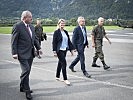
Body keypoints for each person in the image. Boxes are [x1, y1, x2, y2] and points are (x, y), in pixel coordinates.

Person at [11, 10, 42, 100]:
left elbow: (35, 39)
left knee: (27, 71)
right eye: (30, 17)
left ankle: (22, 86)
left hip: (31, 53)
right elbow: (14, 41)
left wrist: (39, 48)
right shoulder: (17, 26)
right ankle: (27, 90)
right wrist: (14, 53)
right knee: (26, 70)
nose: (32, 19)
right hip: (21, 53)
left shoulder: (32, 27)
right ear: (24, 18)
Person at [52, 19, 74, 85]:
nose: (62, 25)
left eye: (63, 23)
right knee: (64, 63)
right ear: (58, 24)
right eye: (61, 23)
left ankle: (57, 76)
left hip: (65, 49)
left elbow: (69, 42)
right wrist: (54, 51)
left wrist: (71, 50)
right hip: (59, 50)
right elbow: (54, 42)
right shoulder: (56, 32)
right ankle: (65, 79)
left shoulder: (66, 32)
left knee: (60, 63)